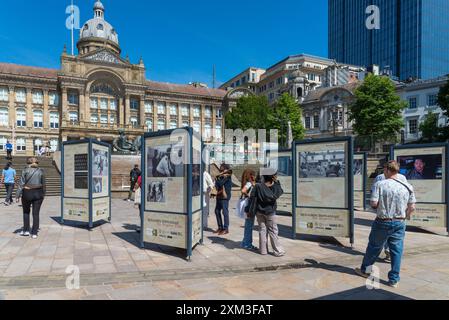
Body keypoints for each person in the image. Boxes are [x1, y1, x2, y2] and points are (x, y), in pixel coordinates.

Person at [356, 161, 416, 288]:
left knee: (374, 247)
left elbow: (373, 203)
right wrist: (405, 216)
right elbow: (412, 207)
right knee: (397, 251)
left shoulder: (380, 184)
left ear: (387, 170)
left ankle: (366, 271)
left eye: (384, 170)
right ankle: (394, 279)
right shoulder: (408, 186)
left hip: (383, 221)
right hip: (400, 221)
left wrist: (382, 205)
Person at [372, 163, 408, 262]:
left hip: (384, 216)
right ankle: (394, 277)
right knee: (396, 247)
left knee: (374, 245)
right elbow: (410, 203)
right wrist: (405, 216)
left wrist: (378, 207)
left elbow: (374, 201)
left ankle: (366, 269)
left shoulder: (380, 179)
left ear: (387, 169)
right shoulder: (404, 180)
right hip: (399, 218)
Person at [249, 169, 285, 257]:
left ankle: (263, 250)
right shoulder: (275, 186)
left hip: (259, 211)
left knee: (262, 230)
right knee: (273, 231)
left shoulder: (258, 186)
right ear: (272, 177)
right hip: (270, 212)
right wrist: (277, 183)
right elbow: (279, 193)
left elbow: (252, 197)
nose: (276, 176)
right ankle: (278, 251)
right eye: (275, 175)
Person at [16, 157, 46, 239]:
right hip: (38, 193)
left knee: (26, 212)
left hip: (27, 193)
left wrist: (17, 195)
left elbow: (21, 184)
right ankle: (34, 232)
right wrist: (43, 194)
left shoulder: (25, 170)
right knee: (36, 214)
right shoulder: (41, 171)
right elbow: (44, 184)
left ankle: (26, 230)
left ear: (28, 163)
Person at [240, 169, 257, 251]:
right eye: (254, 175)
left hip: (247, 206)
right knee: (249, 226)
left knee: (248, 225)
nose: (255, 176)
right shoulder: (249, 183)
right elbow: (243, 190)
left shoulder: (247, 182)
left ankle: (245, 242)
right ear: (251, 176)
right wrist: (249, 196)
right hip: (250, 207)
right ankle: (247, 244)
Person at [214, 164, 233, 235]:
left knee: (225, 212)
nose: (221, 171)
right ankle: (220, 227)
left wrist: (217, 178)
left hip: (225, 197)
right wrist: (218, 178)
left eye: (222, 170)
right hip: (219, 195)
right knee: (216, 211)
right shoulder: (221, 176)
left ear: (226, 169)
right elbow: (216, 185)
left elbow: (220, 183)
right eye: (220, 170)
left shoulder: (228, 176)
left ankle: (226, 228)